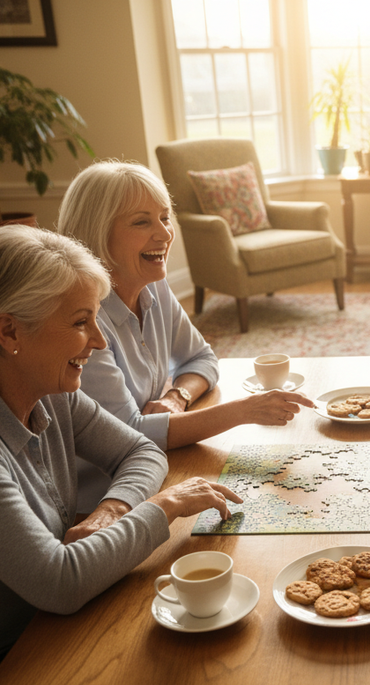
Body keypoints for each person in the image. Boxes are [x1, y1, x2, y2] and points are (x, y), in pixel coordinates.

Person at [0, 226, 240, 685]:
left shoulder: (45, 386)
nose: (98, 340)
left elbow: (142, 450)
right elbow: (60, 583)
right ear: (9, 330)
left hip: (41, 622)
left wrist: (111, 510)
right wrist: (164, 507)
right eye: (80, 322)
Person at [57, 161, 314, 514]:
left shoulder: (155, 286)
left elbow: (202, 359)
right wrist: (244, 410)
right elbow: (130, 436)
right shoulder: (83, 323)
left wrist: (178, 396)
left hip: (158, 465)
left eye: (164, 217)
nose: (164, 234)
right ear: (97, 233)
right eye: (142, 221)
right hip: (106, 499)